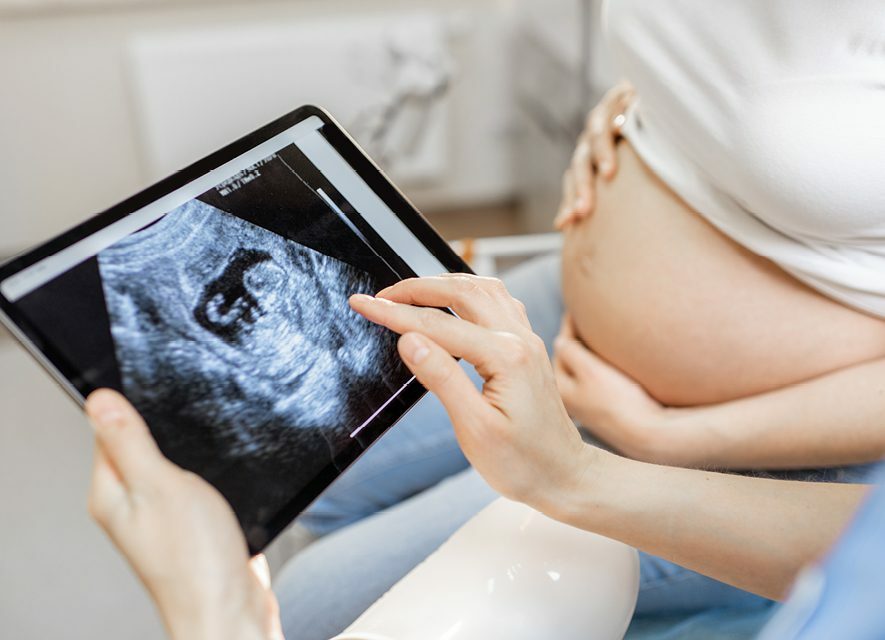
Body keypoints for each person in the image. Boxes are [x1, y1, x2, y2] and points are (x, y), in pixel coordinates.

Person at [278, 1, 885, 635]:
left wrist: (673, 438)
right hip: (570, 319)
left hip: (756, 432)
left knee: (310, 605)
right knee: (311, 464)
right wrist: (655, 105)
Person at [82, 275, 885, 638]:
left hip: (711, 421)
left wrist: (214, 614)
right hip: (583, 321)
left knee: (312, 600)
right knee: (325, 481)